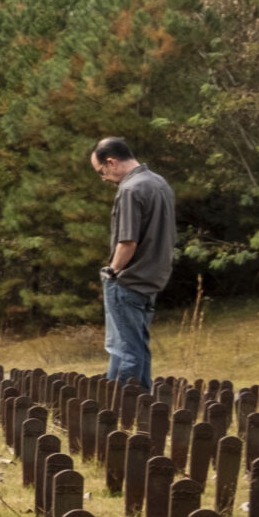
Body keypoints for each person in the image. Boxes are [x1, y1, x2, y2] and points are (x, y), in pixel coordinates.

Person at [91, 136, 173, 389]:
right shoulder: (159, 183)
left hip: (129, 281)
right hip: (153, 279)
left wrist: (112, 271)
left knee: (127, 351)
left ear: (112, 162)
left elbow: (127, 242)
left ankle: (126, 414)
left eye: (101, 171)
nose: (103, 178)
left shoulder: (130, 189)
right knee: (132, 347)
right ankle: (128, 405)